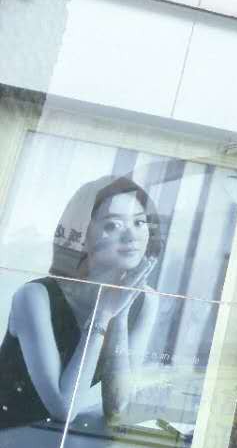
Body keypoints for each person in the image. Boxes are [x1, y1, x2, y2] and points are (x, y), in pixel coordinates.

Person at [0, 175, 160, 430]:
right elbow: (64, 409)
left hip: (54, 443)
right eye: (113, 225)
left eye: (139, 222)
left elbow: (118, 407)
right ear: (82, 235)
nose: (132, 236)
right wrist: (103, 314)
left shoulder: (145, 300)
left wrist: (120, 313)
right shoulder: (34, 297)